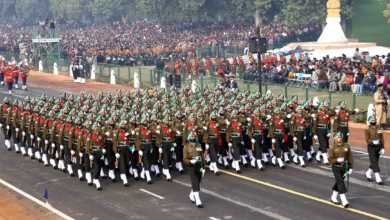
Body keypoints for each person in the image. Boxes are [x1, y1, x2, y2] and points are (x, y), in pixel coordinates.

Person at [328, 132, 353, 208]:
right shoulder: (332, 148)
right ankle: (344, 200)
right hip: (336, 167)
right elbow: (330, 160)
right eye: (338, 137)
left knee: (339, 182)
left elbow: (349, 157)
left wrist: (351, 167)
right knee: (340, 183)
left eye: (341, 137)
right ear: (335, 138)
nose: (340, 138)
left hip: (344, 167)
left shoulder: (346, 146)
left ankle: (333, 197)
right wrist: (336, 160)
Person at [183, 130, 205, 208]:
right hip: (191, 167)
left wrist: (203, 167)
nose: (193, 137)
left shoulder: (199, 145)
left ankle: (191, 195)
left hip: (199, 166)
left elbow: (202, 157)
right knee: (195, 182)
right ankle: (198, 200)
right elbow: (185, 159)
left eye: (194, 136)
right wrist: (190, 161)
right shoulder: (186, 147)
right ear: (189, 138)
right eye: (192, 136)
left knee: (197, 182)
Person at [364, 115, 385, 185]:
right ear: (370, 121)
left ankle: (368, 173)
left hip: (378, 146)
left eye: (375, 120)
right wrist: (373, 142)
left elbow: (381, 138)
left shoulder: (378, 127)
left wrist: (382, 147)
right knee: (374, 162)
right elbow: (367, 140)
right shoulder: (367, 129)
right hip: (371, 147)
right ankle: (378, 178)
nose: (374, 121)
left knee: (375, 161)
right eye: (372, 120)